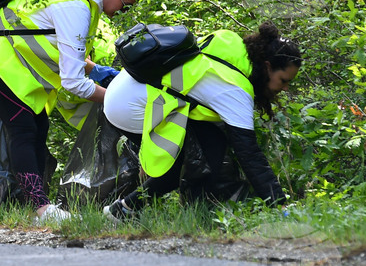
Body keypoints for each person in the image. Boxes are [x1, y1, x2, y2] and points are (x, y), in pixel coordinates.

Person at [0, 0, 145, 223]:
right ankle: (42, 210)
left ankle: (36, 206)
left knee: (38, 128)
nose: (123, 13)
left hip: (18, 61)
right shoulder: (76, 7)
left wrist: (100, 72)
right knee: (24, 129)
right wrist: (117, 98)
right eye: (124, 6)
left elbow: (51, 38)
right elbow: (72, 82)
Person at [101, 21, 302, 220]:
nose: (285, 89)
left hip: (129, 87)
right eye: (284, 81)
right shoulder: (235, 89)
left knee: (212, 142)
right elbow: (250, 155)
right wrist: (279, 203)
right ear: (267, 67)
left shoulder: (233, 46)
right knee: (181, 164)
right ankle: (124, 211)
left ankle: (190, 211)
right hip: (130, 106)